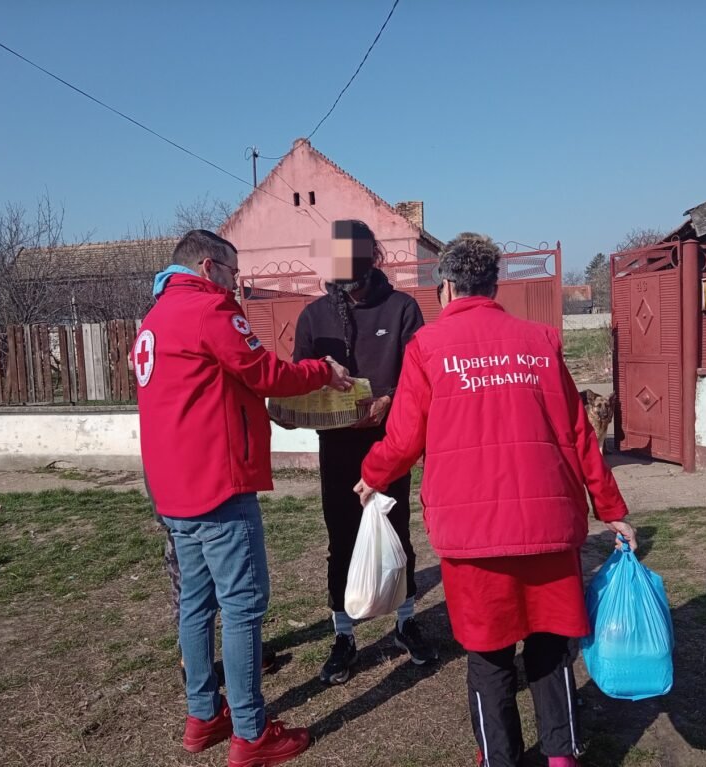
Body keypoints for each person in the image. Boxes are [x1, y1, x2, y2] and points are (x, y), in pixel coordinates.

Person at [354, 233, 637, 767]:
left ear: (446, 288)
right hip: (547, 524)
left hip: (473, 534)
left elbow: (402, 436)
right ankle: (562, 756)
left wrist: (372, 475)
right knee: (551, 649)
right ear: (494, 284)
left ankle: (499, 759)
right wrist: (611, 509)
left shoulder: (428, 348)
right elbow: (579, 434)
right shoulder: (540, 341)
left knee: (488, 656)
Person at [134, 229, 352, 766]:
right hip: (218, 484)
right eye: (234, 273)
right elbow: (262, 371)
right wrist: (323, 371)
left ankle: (203, 713)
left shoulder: (156, 317)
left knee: (195, 605)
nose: (238, 284)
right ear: (210, 268)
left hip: (174, 488)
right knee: (243, 607)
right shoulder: (208, 309)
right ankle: (252, 733)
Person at [292, 220, 436, 685]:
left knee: (397, 532)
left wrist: (389, 400)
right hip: (337, 448)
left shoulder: (402, 309)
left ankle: (405, 620)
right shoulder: (314, 316)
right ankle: (344, 634)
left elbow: (422, 375)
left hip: (390, 445)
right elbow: (300, 381)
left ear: (373, 258)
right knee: (341, 539)